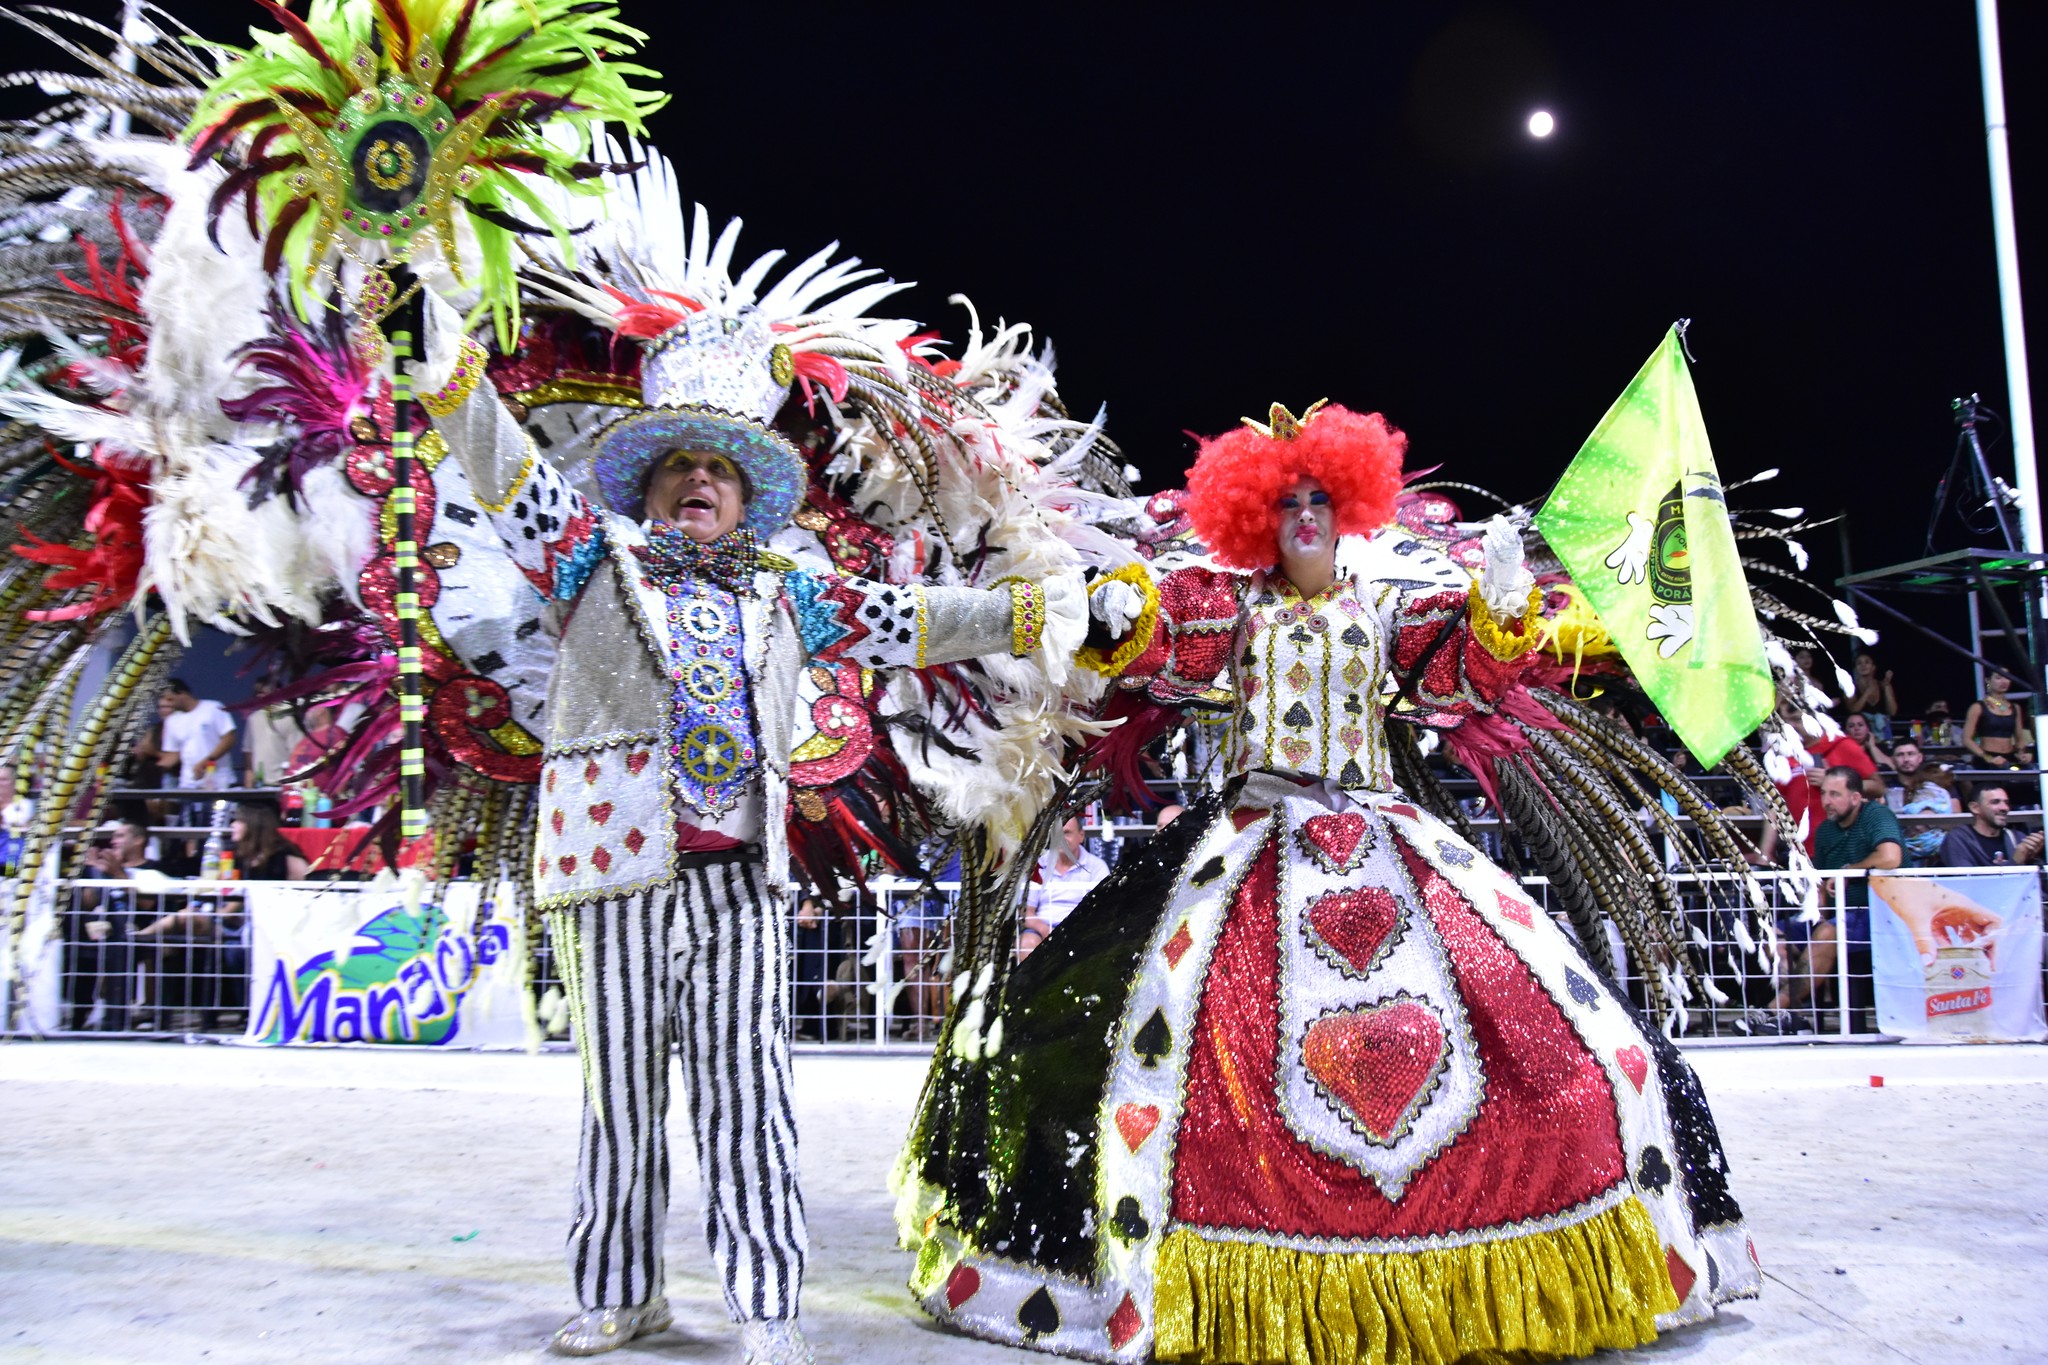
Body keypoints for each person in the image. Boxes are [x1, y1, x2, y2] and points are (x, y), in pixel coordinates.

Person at [898, 402, 1758, 1362]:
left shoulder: (1388, 611)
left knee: (1555, 1042)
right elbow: (1153, 643)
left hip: (1383, 830)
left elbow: (1454, 683)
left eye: (1320, 498)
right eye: (1286, 501)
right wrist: (1118, 613)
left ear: (1350, 507)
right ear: (1255, 515)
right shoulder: (1228, 609)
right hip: (1250, 838)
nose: (1304, 515)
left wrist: (1500, 610)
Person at [427, 287, 1078, 1362]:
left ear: (744, 495)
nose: (697, 481)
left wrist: (1036, 613)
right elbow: (502, 467)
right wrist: (439, 356)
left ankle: (763, 1310)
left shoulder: (791, 588)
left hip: (741, 881)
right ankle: (618, 1294)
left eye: (719, 468)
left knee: (748, 1097)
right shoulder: (591, 556)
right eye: (680, 464)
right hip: (613, 871)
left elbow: (907, 623)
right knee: (618, 1098)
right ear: (650, 482)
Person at [1797, 766, 1902, 1030]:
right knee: (1775, 936)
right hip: (1837, 915)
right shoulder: (1825, 831)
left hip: (1878, 914)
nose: (1827, 802)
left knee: (1825, 935)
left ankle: (1772, 1012)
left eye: (1835, 794)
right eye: (1823, 794)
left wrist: (1849, 871)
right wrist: (1818, 910)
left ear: (1856, 798)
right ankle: (1791, 1015)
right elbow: (1819, 882)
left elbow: (1890, 857)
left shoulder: (1877, 816)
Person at [66, 819, 160, 1031]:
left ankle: (120, 1016)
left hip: (140, 931)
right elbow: (89, 903)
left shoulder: (152, 868)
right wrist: (92, 871)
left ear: (138, 840)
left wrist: (119, 874)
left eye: (120, 836)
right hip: (104, 931)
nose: (113, 841)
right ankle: (79, 1016)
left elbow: (148, 904)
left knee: (120, 943)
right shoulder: (104, 867)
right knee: (82, 944)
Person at [1018, 817, 1110, 957]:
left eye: (1067, 833)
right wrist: (1044, 929)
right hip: (1042, 928)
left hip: (1082, 928)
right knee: (1027, 942)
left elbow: (1103, 909)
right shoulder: (1038, 865)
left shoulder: (1097, 867)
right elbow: (1026, 911)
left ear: (1081, 835)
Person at [1885, 738, 1958, 866]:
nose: (1906, 759)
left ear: (1920, 757)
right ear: (1892, 760)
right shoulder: (1887, 789)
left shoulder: (1940, 787)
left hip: (1938, 852)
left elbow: (1956, 823)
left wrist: (1928, 821)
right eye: (1900, 755)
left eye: (1911, 754)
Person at [156, 679, 237, 791]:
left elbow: (229, 738)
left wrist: (206, 762)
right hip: (188, 784)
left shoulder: (213, 708)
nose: (170, 704)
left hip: (219, 782)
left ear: (181, 693)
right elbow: (173, 754)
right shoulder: (171, 721)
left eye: (170, 699)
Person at [1940, 782, 2045, 868]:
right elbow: (1967, 884)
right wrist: (2015, 862)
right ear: (1975, 808)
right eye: (1995, 802)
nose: (2004, 808)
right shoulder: (1959, 839)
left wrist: (2033, 858)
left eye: (2006, 802)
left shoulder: (2018, 838)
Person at [1962, 671, 2033, 771]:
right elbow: (1966, 739)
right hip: (1986, 758)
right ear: (1988, 680)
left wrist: (2022, 754)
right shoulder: (1978, 707)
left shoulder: (2015, 708)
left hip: (2009, 758)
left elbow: (2019, 738)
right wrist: (1987, 757)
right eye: (1998, 678)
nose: (2004, 681)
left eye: (2007, 678)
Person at [1844, 651, 1897, 741]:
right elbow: (1853, 710)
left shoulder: (1883, 684)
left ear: (1873, 667)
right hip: (1860, 735)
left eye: (1867, 662)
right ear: (1856, 668)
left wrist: (1887, 688)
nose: (1863, 665)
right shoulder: (1850, 687)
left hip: (1882, 733)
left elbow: (1892, 712)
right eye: (1859, 663)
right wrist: (1867, 692)